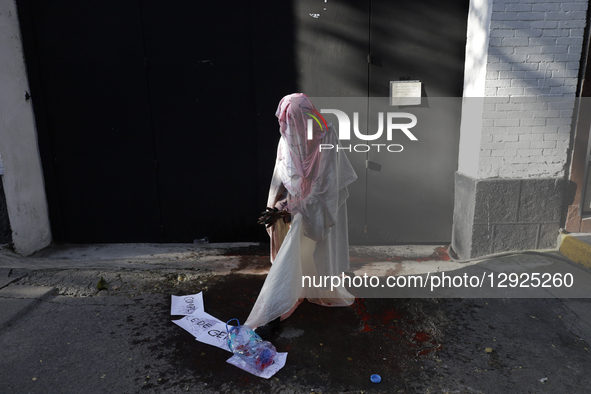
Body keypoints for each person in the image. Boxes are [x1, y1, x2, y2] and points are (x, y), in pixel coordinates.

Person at [245, 93, 357, 336]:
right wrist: (279, 205)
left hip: (317, 208)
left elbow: (325, 184)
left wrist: (298, 206)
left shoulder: (326, 138)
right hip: (296, 209)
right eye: (284, 121)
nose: (286, 127)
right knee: (291, 256)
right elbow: (282, 174)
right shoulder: (285, 140)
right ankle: (276, 308)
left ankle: (275, 309)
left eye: (292, 120)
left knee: (314, 254)